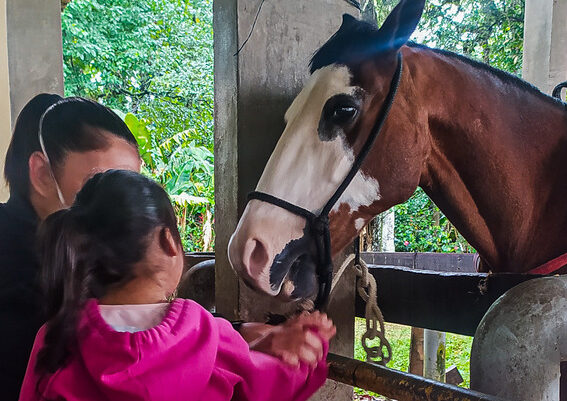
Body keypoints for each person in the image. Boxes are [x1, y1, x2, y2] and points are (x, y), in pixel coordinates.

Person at [1, 94, 326, 400]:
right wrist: (305, 354)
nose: (120, 201)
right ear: (42, 173)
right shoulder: (200, 336)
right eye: (104, 180)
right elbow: (265, 381)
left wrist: (240, 333)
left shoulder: (55, 336)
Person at [19, 170, 335, 401]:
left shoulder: (55, 338)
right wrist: (311, 346)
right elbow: (273, 384)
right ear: (169, 242)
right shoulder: (205, 333)